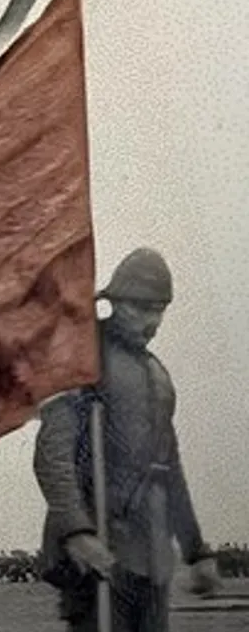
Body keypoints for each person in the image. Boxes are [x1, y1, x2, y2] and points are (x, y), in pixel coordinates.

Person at [34, 248, 221, 632]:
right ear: (116, 303)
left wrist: (196, 550)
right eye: (142, 308)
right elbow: (53, 454)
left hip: (151, 557)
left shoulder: (158, 376)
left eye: (159, 310)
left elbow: (170, 470)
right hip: (98, 552)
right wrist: (77, 530)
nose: (153, 321)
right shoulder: (82, 358)